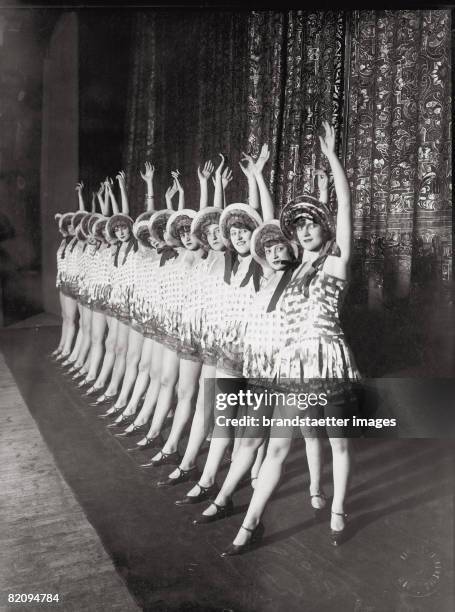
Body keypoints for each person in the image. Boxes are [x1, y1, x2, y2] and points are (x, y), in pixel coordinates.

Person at [220, 121, 361, 556]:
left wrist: (334, 162)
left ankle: (338, 509)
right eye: (296, 226)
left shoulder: (337, 262)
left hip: (330, 361)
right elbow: (268, 228)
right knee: (278, 447)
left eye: (309, 224)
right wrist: (258, 179)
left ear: (323, 229)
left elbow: (343, 212)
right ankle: (249, 524)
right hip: (293, 367)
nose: (301, 231)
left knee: (337, 443)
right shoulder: (294, 267)